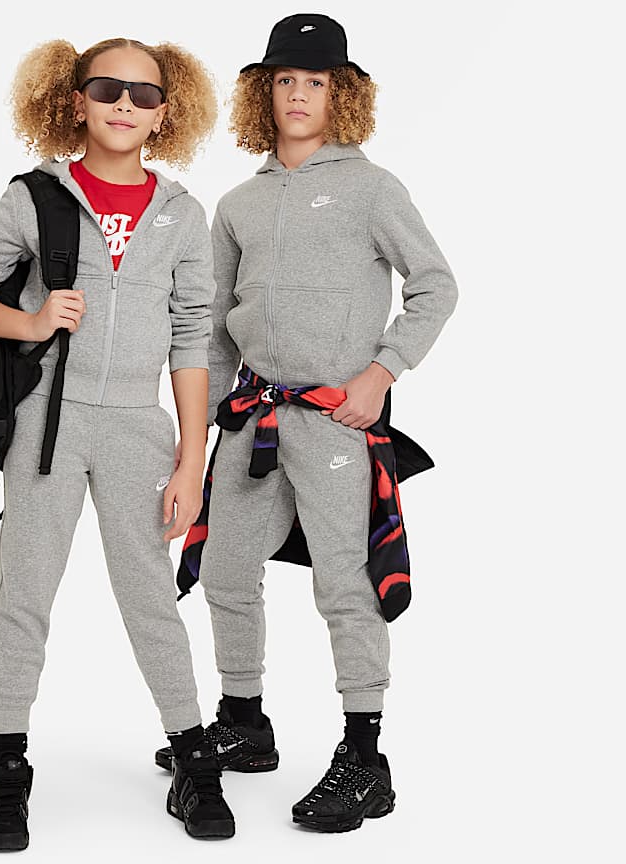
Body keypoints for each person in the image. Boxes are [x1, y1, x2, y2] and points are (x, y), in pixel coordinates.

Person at [155, 13, 458, 833]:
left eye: (314, 82)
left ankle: (365, 756)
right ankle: (244, 723)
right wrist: (199, 433)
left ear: (341, 94)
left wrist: (380, 373)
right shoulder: (238, 204)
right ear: (264, 92)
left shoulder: (373, 189)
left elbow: (435, 284)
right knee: (225, 570)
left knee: (345, 583)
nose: (297, 95)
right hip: (252, 419)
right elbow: (213, 326)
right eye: (283, 80)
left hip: (333, 420)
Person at [0, 36, 236, 848]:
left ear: (166, 113)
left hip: (139, 426)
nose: (125, 105)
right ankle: (7, 768)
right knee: (25, 592)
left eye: (144, 94)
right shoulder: (36, 198)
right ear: (76, 101)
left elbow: (192, 338)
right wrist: (31, 322)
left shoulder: (182, 214)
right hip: (47, 425)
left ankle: (192, 755)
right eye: (107, 89)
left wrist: (192, 461)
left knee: (150, 596)